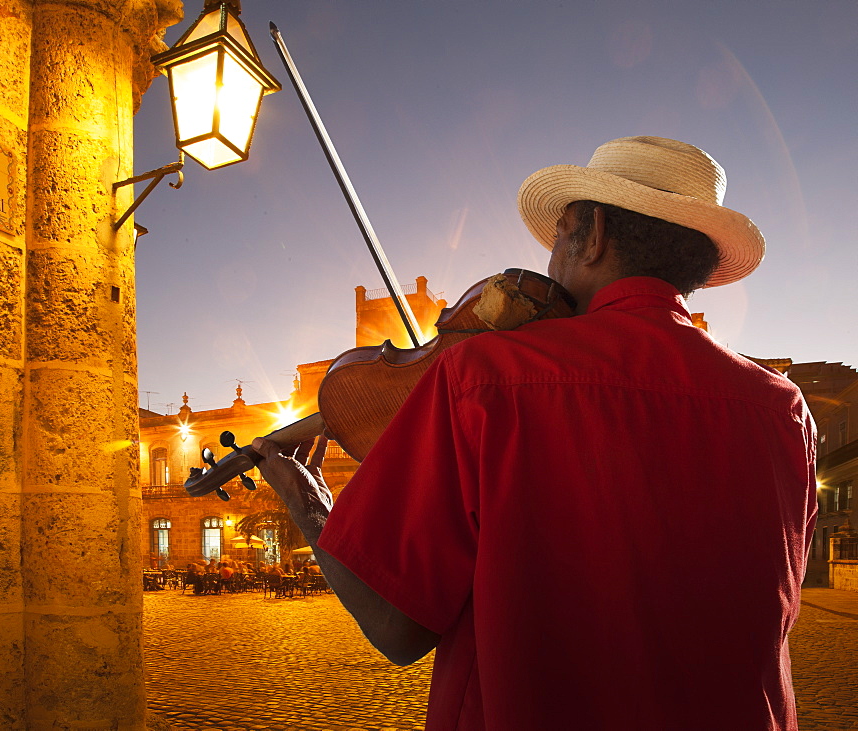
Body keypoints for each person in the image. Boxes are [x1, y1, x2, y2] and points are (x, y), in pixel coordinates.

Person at [253, 137, 816, 730]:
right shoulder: (783, 410)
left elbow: (397, 627)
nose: (545, 270)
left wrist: (306, 501)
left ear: (592, 233)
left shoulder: (485, 377)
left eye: (557, 240)